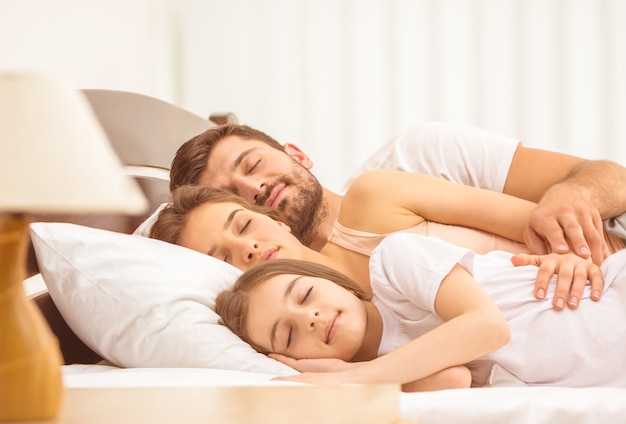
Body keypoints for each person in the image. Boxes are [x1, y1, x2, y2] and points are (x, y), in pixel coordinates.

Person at [215, 232, 626, 391]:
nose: (311, 318)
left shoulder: (394, 262)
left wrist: (353, 376)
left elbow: (486, 328)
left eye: (305, 296)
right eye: (288, 336)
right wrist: (359, 380)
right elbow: (454, 378)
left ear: (332, 280)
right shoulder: (389, 371)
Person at [168, 122, 626, 265]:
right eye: (231, 197)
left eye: (251, 165)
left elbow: (613, 178)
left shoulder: (415, 158)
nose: (253, 188)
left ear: (298, 153)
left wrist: (573, 197)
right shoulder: (308, 304)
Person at [150, 183, 611, 310]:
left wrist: (575, 256)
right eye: (222, 257)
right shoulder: (322, 329)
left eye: (243, 225)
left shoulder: (379, 212)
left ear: (273, 220)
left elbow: (548, 221)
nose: (245, 248)